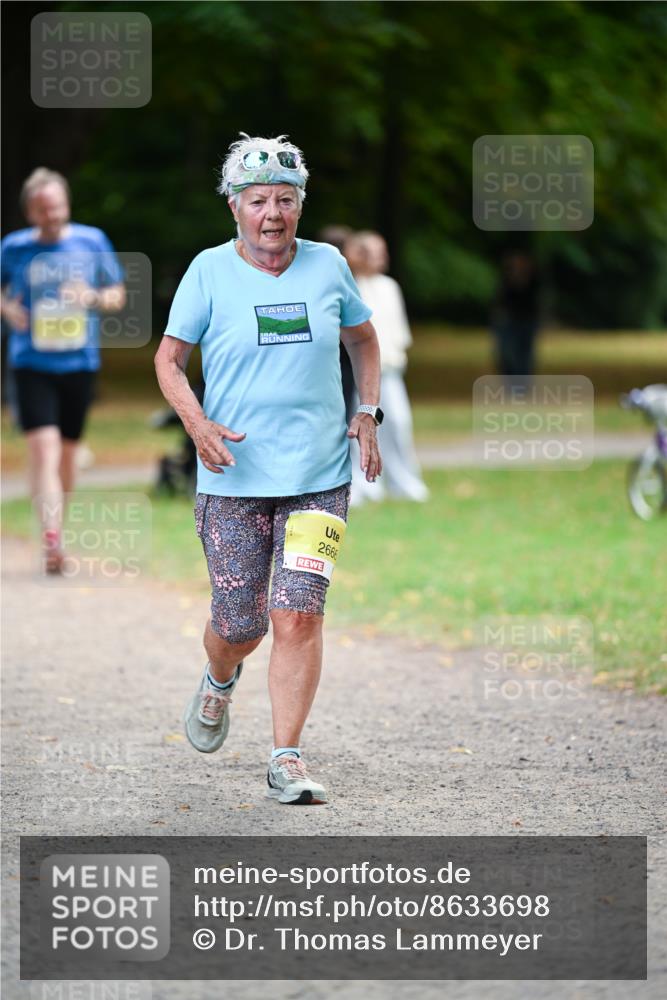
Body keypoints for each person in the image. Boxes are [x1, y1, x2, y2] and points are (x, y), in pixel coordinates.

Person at [154, 134, 383, 805]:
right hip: (233, 476)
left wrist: (367, 411)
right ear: (234, 207)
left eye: (285, 199)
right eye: (258, 200)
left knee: (297, 614)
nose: (272, 213)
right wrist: (196, 426)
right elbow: (168, 361)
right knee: (239, 625)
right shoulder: (207, 272)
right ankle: (219, 678)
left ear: (301, 205)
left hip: (317, 474)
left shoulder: (328, 265)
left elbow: (363, 339)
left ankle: (285, 757)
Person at [0, 168, 126, 572]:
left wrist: (89, 295)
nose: (51, 216)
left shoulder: (91, 241)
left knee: (68, 455)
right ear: (29, 212)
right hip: (30, 361)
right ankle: (51, 540)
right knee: (44, 448)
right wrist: (7, 309)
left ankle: (58, 529)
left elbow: (117, 295)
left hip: (78, 361)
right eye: (42, 210)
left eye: (56, 208)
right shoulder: (14, 247)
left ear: (66, 205)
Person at [344, 230, 429, 505]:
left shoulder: (389, 286)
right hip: (361, 371)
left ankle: (404, 480)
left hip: (390, 370)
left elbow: (398, 332)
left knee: (398, 422)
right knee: (358, 424)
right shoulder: (350, 286)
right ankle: (363, 484)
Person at [491, 249, 541, 390]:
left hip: (527, 321)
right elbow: (498, 300)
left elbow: (536, 302)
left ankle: (521, 387)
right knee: (506, 354)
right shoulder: (505, 278)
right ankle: (509, 385)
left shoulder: (534, 279)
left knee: (524, 355)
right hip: (507, 322)